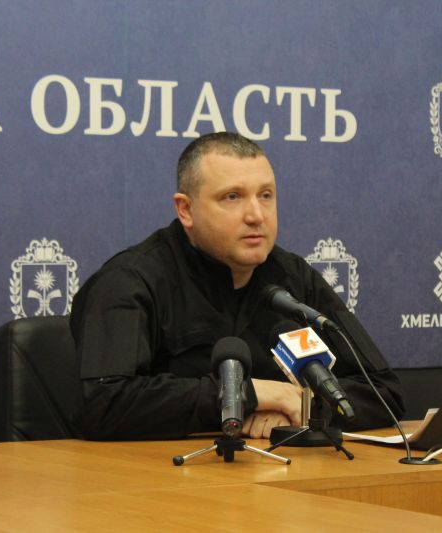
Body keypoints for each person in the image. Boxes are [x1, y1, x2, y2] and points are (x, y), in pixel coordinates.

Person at [70, 132, 403, 440]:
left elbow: (384, 392)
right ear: (186, 210)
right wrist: (249, 395)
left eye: (266, 195)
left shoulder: (294, 278)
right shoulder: (130, 281)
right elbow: (104, 404)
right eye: (232, 197)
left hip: (276, 475)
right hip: (158, 477)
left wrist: (301, 407)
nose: (256, 215)